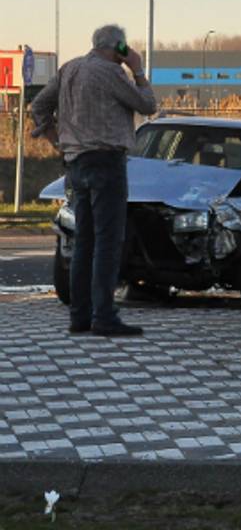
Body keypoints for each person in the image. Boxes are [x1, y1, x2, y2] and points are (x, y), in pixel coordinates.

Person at [31, 24, 157, 336]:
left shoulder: (69, 69)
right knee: (108, 241)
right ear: (119, 48)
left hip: (75, 164)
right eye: (124, 49)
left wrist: (55, 139)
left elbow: (38, 106)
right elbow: (148, 105)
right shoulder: (111, 73)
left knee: (83, 242)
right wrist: (138, 70)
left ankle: (79, 316)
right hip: (106, 162)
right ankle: (104, 316)